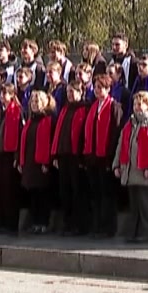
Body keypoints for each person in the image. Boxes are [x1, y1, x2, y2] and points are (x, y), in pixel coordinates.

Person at [116, 91, 148, 244]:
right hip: (132, 171)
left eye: (140, 104)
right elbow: (121, 146)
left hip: (146, 172)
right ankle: (134, 233)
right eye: (135, 104)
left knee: (146, 205)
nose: (137, 107)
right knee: (135, 206)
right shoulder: (130, 125)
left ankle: (146, 233)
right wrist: (117, 165)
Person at [83, 75, 124, 238]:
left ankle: (108, 227)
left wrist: (111, 158)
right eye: (96, 87)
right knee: (96, 193)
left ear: (108, 89)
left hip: (106, 156)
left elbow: (116, 132)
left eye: (101, 87)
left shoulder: (114, 106)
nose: (97, 90)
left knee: (107, 194)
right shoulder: (93, 107)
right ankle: (97, 225)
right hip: (93, 156)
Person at [52, 82, 91, 237]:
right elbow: (59, 133)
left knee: (78, 191)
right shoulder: (65, 109)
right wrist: (55, 154)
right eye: (68, 91)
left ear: (80, 92)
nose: (70, 94)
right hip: (64, 155)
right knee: (65, 190)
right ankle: (68, 223)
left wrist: (83, 156)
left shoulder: (84, 109)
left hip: (77, 156)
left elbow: (84, 134)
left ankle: (79, 225)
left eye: (73, 91)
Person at [19, 91, 55, 235]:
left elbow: (50, 141)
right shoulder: (30, 120)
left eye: (38, 101)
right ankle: (35, 222)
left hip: (42, 163)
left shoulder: (49, 119)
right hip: (29, 162)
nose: (35, 104)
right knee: (33, 193)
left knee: (42, 194)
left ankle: (43, 222)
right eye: (33, 102)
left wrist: (47, 162)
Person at [0, 83, 24, 235]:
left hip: (10, 155)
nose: (2, 97)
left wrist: (17, 156)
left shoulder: (17, 112)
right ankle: (1, 220)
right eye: (1, 94)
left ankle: (10, 223)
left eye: (5, 94)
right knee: (0, 189)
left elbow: (20, 135)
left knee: (10, 189)